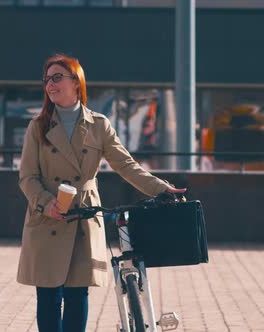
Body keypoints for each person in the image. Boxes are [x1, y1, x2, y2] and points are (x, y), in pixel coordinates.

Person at [16, 54, 186, 332]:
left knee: (77, 294)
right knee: (48, 295)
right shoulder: (38, 126)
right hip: (48, 217)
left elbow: (126, 166)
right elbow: (27, 177)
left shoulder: (98, 124)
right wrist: (46, 204)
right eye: (47, 79)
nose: (50, 84)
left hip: (83, 215)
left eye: (57, 77)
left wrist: (161, 188)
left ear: (76, 82)